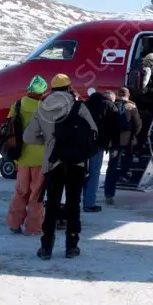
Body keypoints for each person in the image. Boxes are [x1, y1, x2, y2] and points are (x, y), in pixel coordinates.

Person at [23, 74, 98, 259]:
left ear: (52, 88)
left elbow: (28, 137)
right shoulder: (79, 107)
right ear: (69, 87)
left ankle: (46, 248)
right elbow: (93, 132)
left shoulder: (42, 107)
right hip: (76, 163)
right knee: (73, 204)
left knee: (52, 205)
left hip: (53, 162)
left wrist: (48, 142)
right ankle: (72, 246)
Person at [5, 75, 49, 235]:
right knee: (37, 194)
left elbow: (9, 127)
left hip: (21, 156)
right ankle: (34, 227)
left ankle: (14, 223)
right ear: (43, 91)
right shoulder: (46, 108)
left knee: (21, 191)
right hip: (41, 157)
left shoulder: (16, 105)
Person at [104, 87, 143, 206]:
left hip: (113, 143)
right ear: (128, 95)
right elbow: (138, 125)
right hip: (127, 142)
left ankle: (109, 195)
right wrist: (134, 136)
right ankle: (123, 175)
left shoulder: (112, 106)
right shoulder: (132, 107)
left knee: (111, 167)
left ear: (118, 95)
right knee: (127, 160)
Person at [82, 90, 118, 213]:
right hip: (98, 145)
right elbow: (115, 127)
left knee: (82, 173)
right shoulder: (110, 106)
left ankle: (80, 200)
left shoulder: (85, 104)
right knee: (94, 173)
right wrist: (115, 146)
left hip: (83, 144)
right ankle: (89, 203)